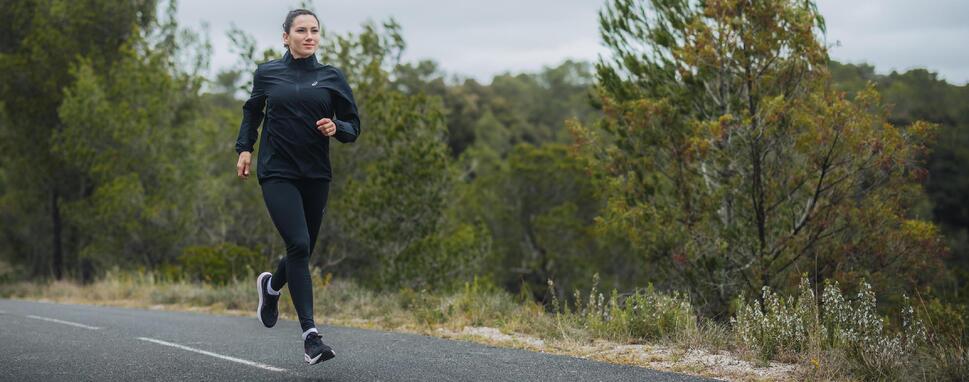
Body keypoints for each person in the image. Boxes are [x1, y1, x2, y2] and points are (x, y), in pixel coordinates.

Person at [234, 8, 360, 365]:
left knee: (302, 249)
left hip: (316, 174)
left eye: (314, 30)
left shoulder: (331, 77)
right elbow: (252, 111)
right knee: (299, 244)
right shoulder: (268, 73)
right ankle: (311, 338)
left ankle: (271, 287)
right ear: (285, 37)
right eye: (301, 30)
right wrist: (245, 148)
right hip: (277, 171)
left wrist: (338, 129)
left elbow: (353, 125)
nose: (309, 36)